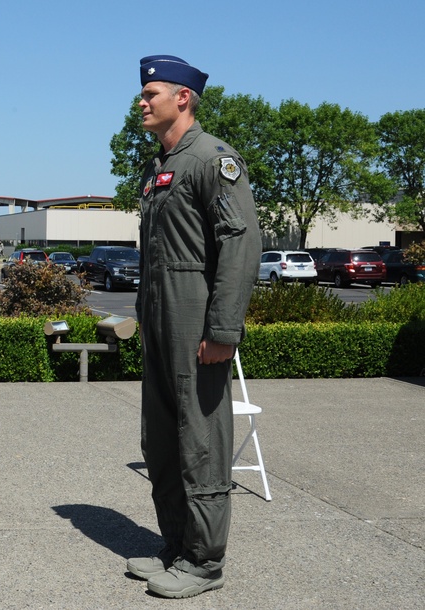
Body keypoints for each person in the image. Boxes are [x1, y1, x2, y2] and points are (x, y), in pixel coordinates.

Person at [129, 55, 261, 599]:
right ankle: (177, 545)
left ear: (183, 98)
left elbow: (241, 243)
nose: (142, 101)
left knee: (200, 436)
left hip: (194, 315)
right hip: (158, 314)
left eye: (151, 93)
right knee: (160, 436)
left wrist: (224, 327)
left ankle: (205, 562)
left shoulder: (212, 159)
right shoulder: (159, 167)